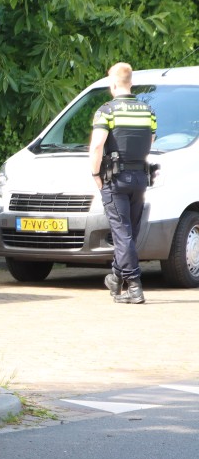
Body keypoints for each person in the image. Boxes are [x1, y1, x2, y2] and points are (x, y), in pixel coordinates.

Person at [89, 62, 156, 304]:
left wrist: (96, 175)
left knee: (122, 233)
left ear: (114, 83)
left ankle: (135, 285)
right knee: (130, 232)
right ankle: (116, 278)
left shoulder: (107, 111)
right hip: (140, 178)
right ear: (131, 83)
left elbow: (97, 146)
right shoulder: (147, 111)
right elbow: (151, 139)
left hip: (115, 180)